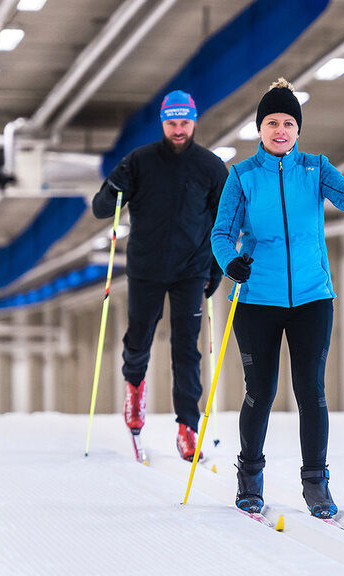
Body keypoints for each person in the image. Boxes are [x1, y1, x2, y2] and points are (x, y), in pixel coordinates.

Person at [210, 78, 344, 518]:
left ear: (298, 129)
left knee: (311, 391)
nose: (280, 130)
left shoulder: (315, 167)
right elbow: (222, 233)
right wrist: (231, 263)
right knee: (260, 392)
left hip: (311, 298)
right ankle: (249, 477)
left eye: (288, 122)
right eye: (272, 122)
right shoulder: (242, 176)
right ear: (259, 129)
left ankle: (316, 483)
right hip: (256, 299)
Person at [92, 90, 228, 461]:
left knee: (187, 350)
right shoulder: (139, 162)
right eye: (172, 123)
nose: (179, 130)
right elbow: (101, 208)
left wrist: (215, 269)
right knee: (138, 339)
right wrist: (113, 187)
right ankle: (135, 389)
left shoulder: (212, 168)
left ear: (195, 121)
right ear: (163, 123)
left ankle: (187, 426)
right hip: (146, 269)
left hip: (190, 271)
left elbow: (223, 223)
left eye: (185, 123)